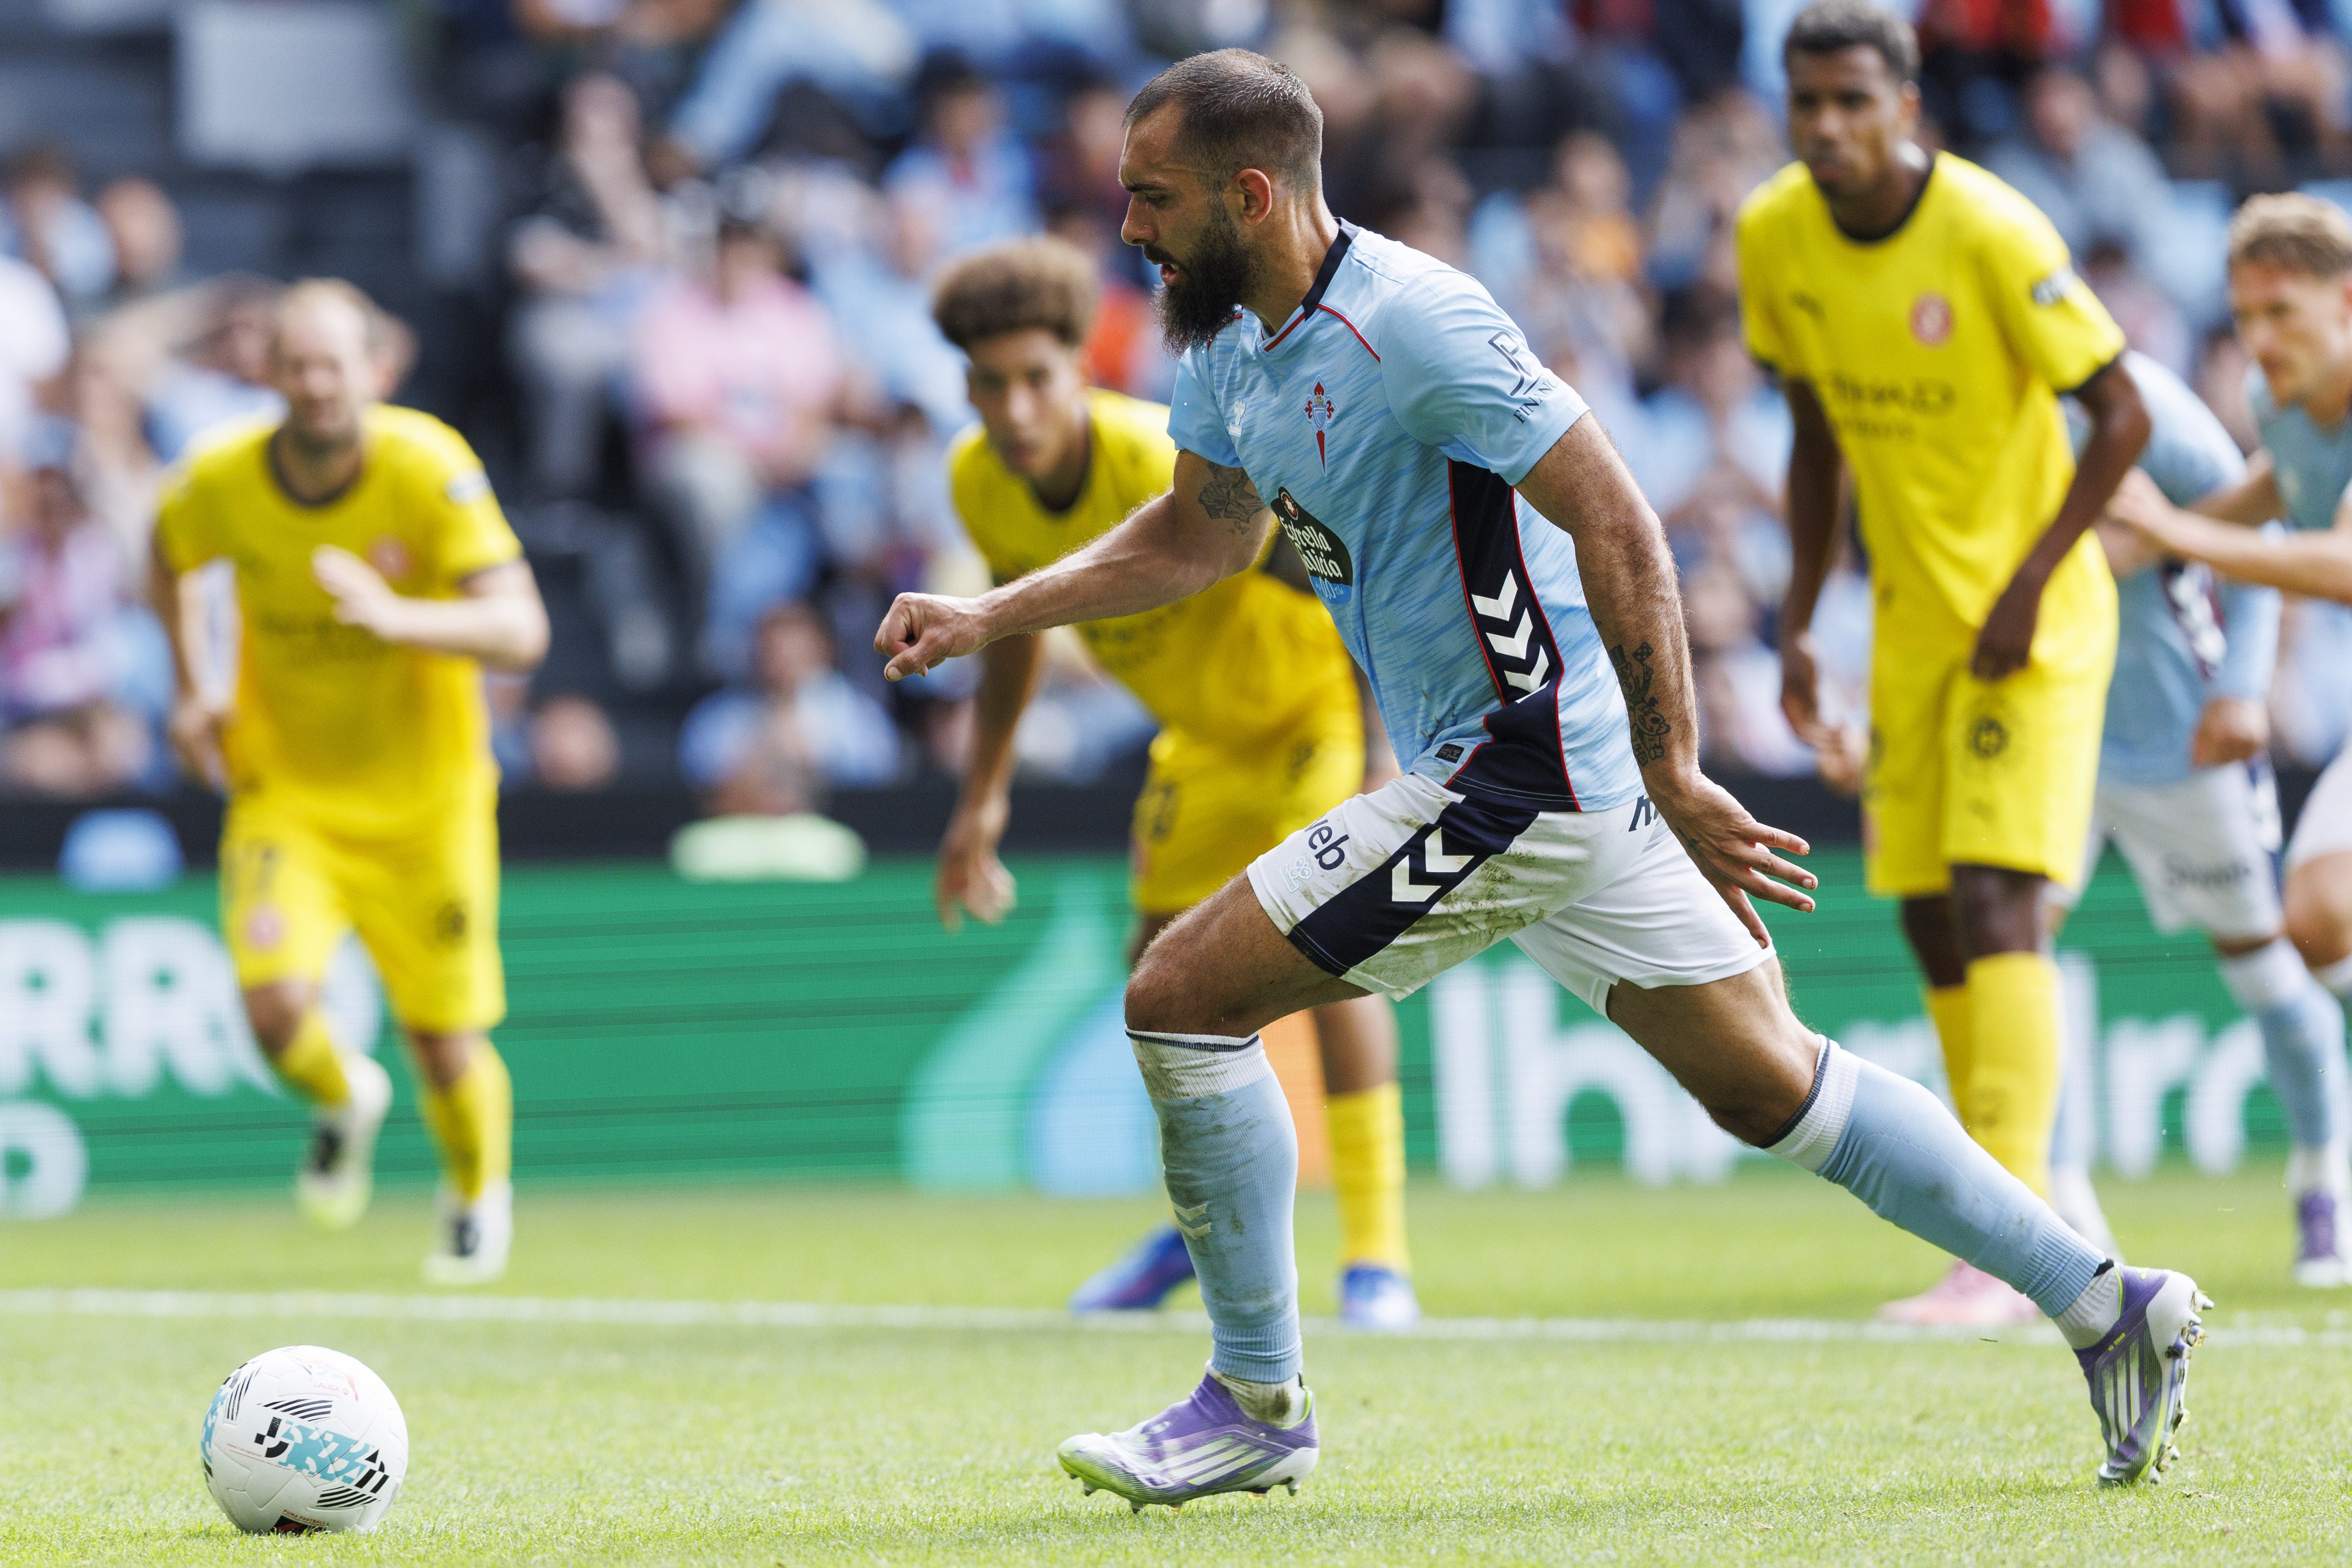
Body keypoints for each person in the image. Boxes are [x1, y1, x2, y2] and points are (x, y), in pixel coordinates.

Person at [876, 47, 2206, 1507]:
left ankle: (1253, 1399)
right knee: (1773, 1086)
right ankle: (2106, 1302)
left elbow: (1618, 519)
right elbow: (1195, 532)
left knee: (1178, 999)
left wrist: (1676, 766)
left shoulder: (1417, 323)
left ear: (1249, 196)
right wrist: (993, 613)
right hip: (1526, 774)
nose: (1126, 227)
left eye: (1153, 198)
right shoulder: (1221, 342)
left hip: (1521, 767)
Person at [1740, 1, 2153, 1327]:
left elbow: (2123, 408)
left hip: (2029, 622)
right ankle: (2038, 1213)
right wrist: (1800, 620)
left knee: (1996, 900)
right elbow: (1811, 444)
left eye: (1854, 102)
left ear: (1904, 103)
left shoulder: (1988, 229)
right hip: (1910, 625)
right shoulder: (1773, 238)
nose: (1827, 129)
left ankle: (2006, 1242)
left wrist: (2032, 583)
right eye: (1807, 104)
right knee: (1925, 910)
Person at [925, 235, 1421, 1330]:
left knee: (1334, 961)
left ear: (1081, 371)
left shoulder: (1158, 453)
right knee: (1157, 981)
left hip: (1304, 722)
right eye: (990, 384)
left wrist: (1384, 747)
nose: (1014, 409)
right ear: (964, 386)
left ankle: (1377, 1256)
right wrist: (982, 800)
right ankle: (1200, 1230)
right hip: (1197, 743)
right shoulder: (974, 480)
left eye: (1036, 379)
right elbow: (1015, 630)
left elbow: (1319, 552)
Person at [148, 280, 550, 1285]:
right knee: (274, 1011)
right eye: (297, 365)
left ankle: (472, 1198)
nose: (317, 385)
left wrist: (400, 617)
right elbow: (166, 559)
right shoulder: (220, 478)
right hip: (287, 792)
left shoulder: (427, 465)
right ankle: (345, 1098)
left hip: (429, 802)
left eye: (336, 364)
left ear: (377, 370)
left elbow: (521, 630)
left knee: (443, 1037)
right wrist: (194, 686)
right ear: (268, 373)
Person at [2048, 351, 2350, 1286]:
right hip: (2048, 735)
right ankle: (2061, 1216)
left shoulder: (2136, 401)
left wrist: (2242, 688)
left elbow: (2258, 546)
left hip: (2179, 742)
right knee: (2012, 948)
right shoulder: (1949, 413)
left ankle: (2321, 1177)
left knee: (2271, 969)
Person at [2107, 195, 2352, 1172]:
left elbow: (2340, 563)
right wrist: (2142, 540)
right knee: (2318, 912)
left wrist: (2177, 534)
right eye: (2243, 316)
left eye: (2280, 313)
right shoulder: (2278, 400)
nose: (2256, 339)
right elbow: (2278, 488)